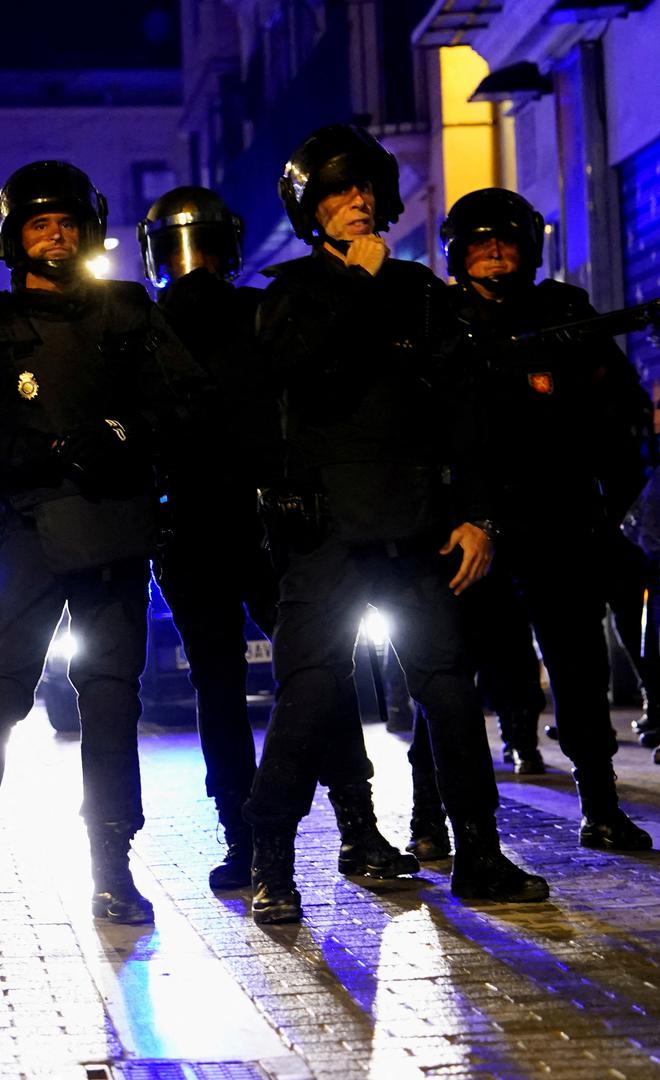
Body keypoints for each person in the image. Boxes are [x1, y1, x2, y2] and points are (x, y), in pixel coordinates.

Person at [244, 125, 549, 924]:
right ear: (311, 208)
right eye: (340, 192)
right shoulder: (290, 296)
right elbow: (292, 376)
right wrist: (354, 288)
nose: (359, 203)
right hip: (326, 534)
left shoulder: (419, 293)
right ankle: (272, 864)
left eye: (367, 190)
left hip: (417, 531)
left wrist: (478, 516)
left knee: (449, 692)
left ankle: (478, 853)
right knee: (307, 696)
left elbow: (467, 412)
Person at [0, 160, 207, 928]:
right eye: (39, 224)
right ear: (14, 237)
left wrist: (121, 434)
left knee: (109, 702)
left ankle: (114, 869)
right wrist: (41, 452)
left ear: (89, 228)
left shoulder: (129, 314)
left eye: (67, 222)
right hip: (26, 533)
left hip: (113, 530)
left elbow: (189, 405)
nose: (56, 237)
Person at [138, 186, 415, 890]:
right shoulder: (179, 320)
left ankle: (302, 835)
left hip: (241, 519)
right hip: (224, 522)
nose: (191, 263)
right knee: (282, 677)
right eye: (181, 248)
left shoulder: (205, 316)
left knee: (278, 678)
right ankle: (305, 833)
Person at [407, 188, 651, 854]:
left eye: (505, 239)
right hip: (468, 532)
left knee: (577, 669)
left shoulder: (563, 313)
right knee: (448, 675)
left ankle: (600, 804)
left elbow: (620, 409)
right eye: (479, 240)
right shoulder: (437, 320)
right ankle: (429, 817)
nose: (493, 251)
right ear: (456, 252)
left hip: (558, 524)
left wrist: (613, 499)